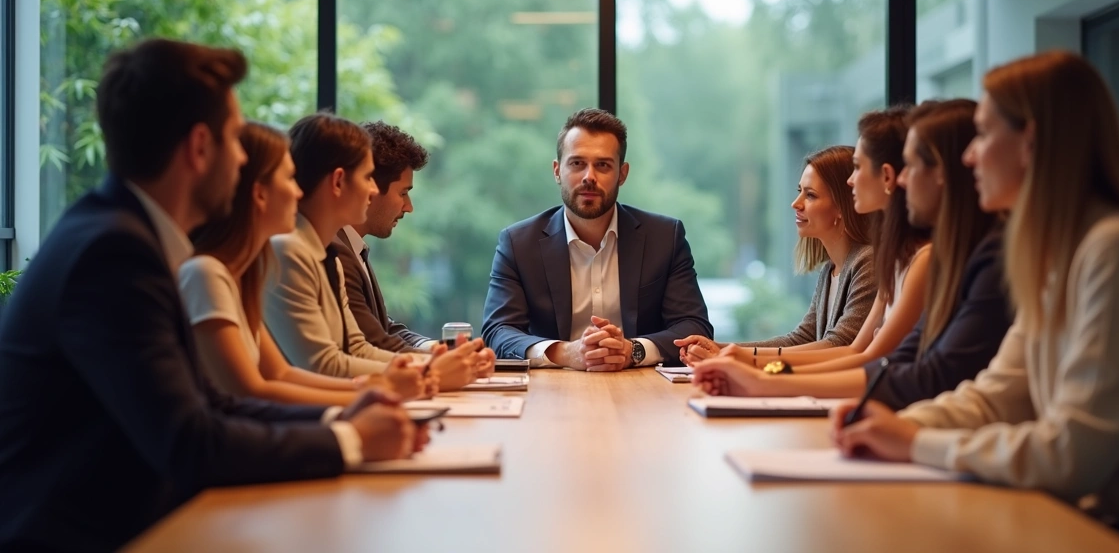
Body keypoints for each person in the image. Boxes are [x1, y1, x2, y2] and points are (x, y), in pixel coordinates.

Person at [0, 39, 421, 550]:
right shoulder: (113, 253)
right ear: (200, 148)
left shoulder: (132, 236)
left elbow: (217, 404)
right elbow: (191, 442)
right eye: (234, 141)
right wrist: (349, 439)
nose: (245, 159)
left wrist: (343, 418)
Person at [832, 51, 1119, 524]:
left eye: (985, 133)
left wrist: (914, 441)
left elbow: (1070, 454)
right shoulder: (1058, 255)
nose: (969, 155)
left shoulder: (1118, 252)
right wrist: (886, 425)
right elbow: (998, 396)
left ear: (1030, 142)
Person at [694, 100, 1010, 410]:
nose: (851, 180)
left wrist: (763, 375)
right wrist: (749, 366)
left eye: (858, 167)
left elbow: (869, 357)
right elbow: (868, 354)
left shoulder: (910, 260)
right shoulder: (893, 260)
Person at [180, 121, 446, 405]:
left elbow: (282, 374)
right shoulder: (214, 271)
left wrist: (393, 383)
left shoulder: (248, 271)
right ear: (259, 193)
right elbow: (256, 392)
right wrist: (394, 385)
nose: (298, 192)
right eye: (290, 178)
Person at [482, 108, 713, 370]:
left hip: (645, 392)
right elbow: (498, 332)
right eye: (577, 163)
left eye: (602, 165)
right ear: (557, 171)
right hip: (550, 392)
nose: (589, 177)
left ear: (622, 174)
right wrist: (567, 353)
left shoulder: (665, 238)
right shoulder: (518, 243)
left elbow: (695, 327)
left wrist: (632, 350)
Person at [676, 145, 876, 361]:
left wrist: (737, 356)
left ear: (842, 206)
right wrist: (720, 347)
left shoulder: (867, 262)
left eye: (810, 195)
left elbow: (838, 345)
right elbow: (802, 338)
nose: (795, 203)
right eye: (799, 192)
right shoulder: (830, 269)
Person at [333, 120, 494, 377]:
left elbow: (383, 329)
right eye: (403, 193)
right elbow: (372, 343)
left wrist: (436, 350)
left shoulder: (352, 246)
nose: (408, 207)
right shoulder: (336, 251)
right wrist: (437, 366)